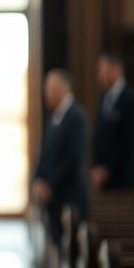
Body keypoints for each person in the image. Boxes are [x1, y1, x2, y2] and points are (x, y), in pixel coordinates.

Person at [32, 68, 91, 245]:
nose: (46, 94)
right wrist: (38, 180)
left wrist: (50, 186)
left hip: (69, 198)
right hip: (52, 200)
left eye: (49, 88)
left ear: (62, 89)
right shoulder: (53, 118)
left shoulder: (77, 117)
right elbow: (44, 154)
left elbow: (73, 158)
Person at [92, 52, 134, 191]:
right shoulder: (103, 99)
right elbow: (99, 136)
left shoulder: (130, 100)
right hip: (102, 179)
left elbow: (128, 140)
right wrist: (96, 167)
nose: (99, 76)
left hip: (122, 177)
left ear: (115, 71)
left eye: (102, 71)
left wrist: (107, 169)